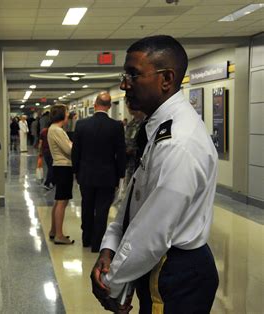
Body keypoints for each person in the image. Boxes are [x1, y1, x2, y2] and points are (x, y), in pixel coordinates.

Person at [91, 35, 219, 314]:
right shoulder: (159, 130)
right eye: (124, 74)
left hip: (176, 273)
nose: (124, 84)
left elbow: (153, 232)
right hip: (160, 266)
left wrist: (111, 283)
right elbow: (136, 200)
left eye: (133, 74)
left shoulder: (178, 142)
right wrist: (109, 247)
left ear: (166, 79)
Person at [72, 91, 126, 252]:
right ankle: (97, 244)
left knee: (87, 206)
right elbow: (120, 152)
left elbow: (76, 151)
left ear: (95, 105)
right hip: (108, 176)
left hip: (86, 174)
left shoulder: (81, 125)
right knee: (102, 210)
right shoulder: (116, 126)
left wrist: (76, 171)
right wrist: (121, 175)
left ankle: (86, 239)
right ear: (109, 107)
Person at [47, 104, 74, 245]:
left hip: (59, 166)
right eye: (67, 112)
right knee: (62, 201)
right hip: (63, 166)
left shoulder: (55, 129)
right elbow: (69, 150)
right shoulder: (57, 130)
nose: (68, 115)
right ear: (61, 115)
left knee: (59, 200)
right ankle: (59, 234)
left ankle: (53, 230)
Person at [123, 104, 146, 187]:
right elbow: (127, 139)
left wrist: (133, 149)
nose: (128, 107)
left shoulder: (145, 123)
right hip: (129, 162)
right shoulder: (131, 123)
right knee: (129, 185)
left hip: (139, 162)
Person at [38, 121, 54, 190]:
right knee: (51, 167)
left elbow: (40, 143)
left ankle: (53, 182)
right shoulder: (53, 132)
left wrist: (40, 153)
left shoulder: (43, 131)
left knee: (50, 167)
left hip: (45, 151)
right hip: (52, 151)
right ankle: (47, 183)